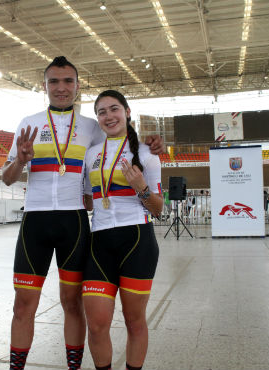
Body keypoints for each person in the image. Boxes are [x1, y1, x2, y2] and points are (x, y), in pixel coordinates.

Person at [2, 57, 165, 370]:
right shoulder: (29, 123)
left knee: (72, 304)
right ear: (45, 85)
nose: (61, 88)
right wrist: (21, 161)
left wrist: (152, 142)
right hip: (35, 221)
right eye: (54, 82)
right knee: (23, 305)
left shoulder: (92, 128)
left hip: (75, 223)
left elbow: (123, 140)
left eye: (68, 82)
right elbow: (7, 177)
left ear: (77, 87)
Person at [82, 90, 163, 370]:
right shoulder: (91, 154)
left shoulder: (147, 155)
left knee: (134, 321)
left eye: (114, 109)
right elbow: (86, 198)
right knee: (96, 324)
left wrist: (141, 188)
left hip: (137, 241)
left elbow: (158, 209)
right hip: (100, 242)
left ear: (127, 112)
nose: (108, 116)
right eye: (101, 112)